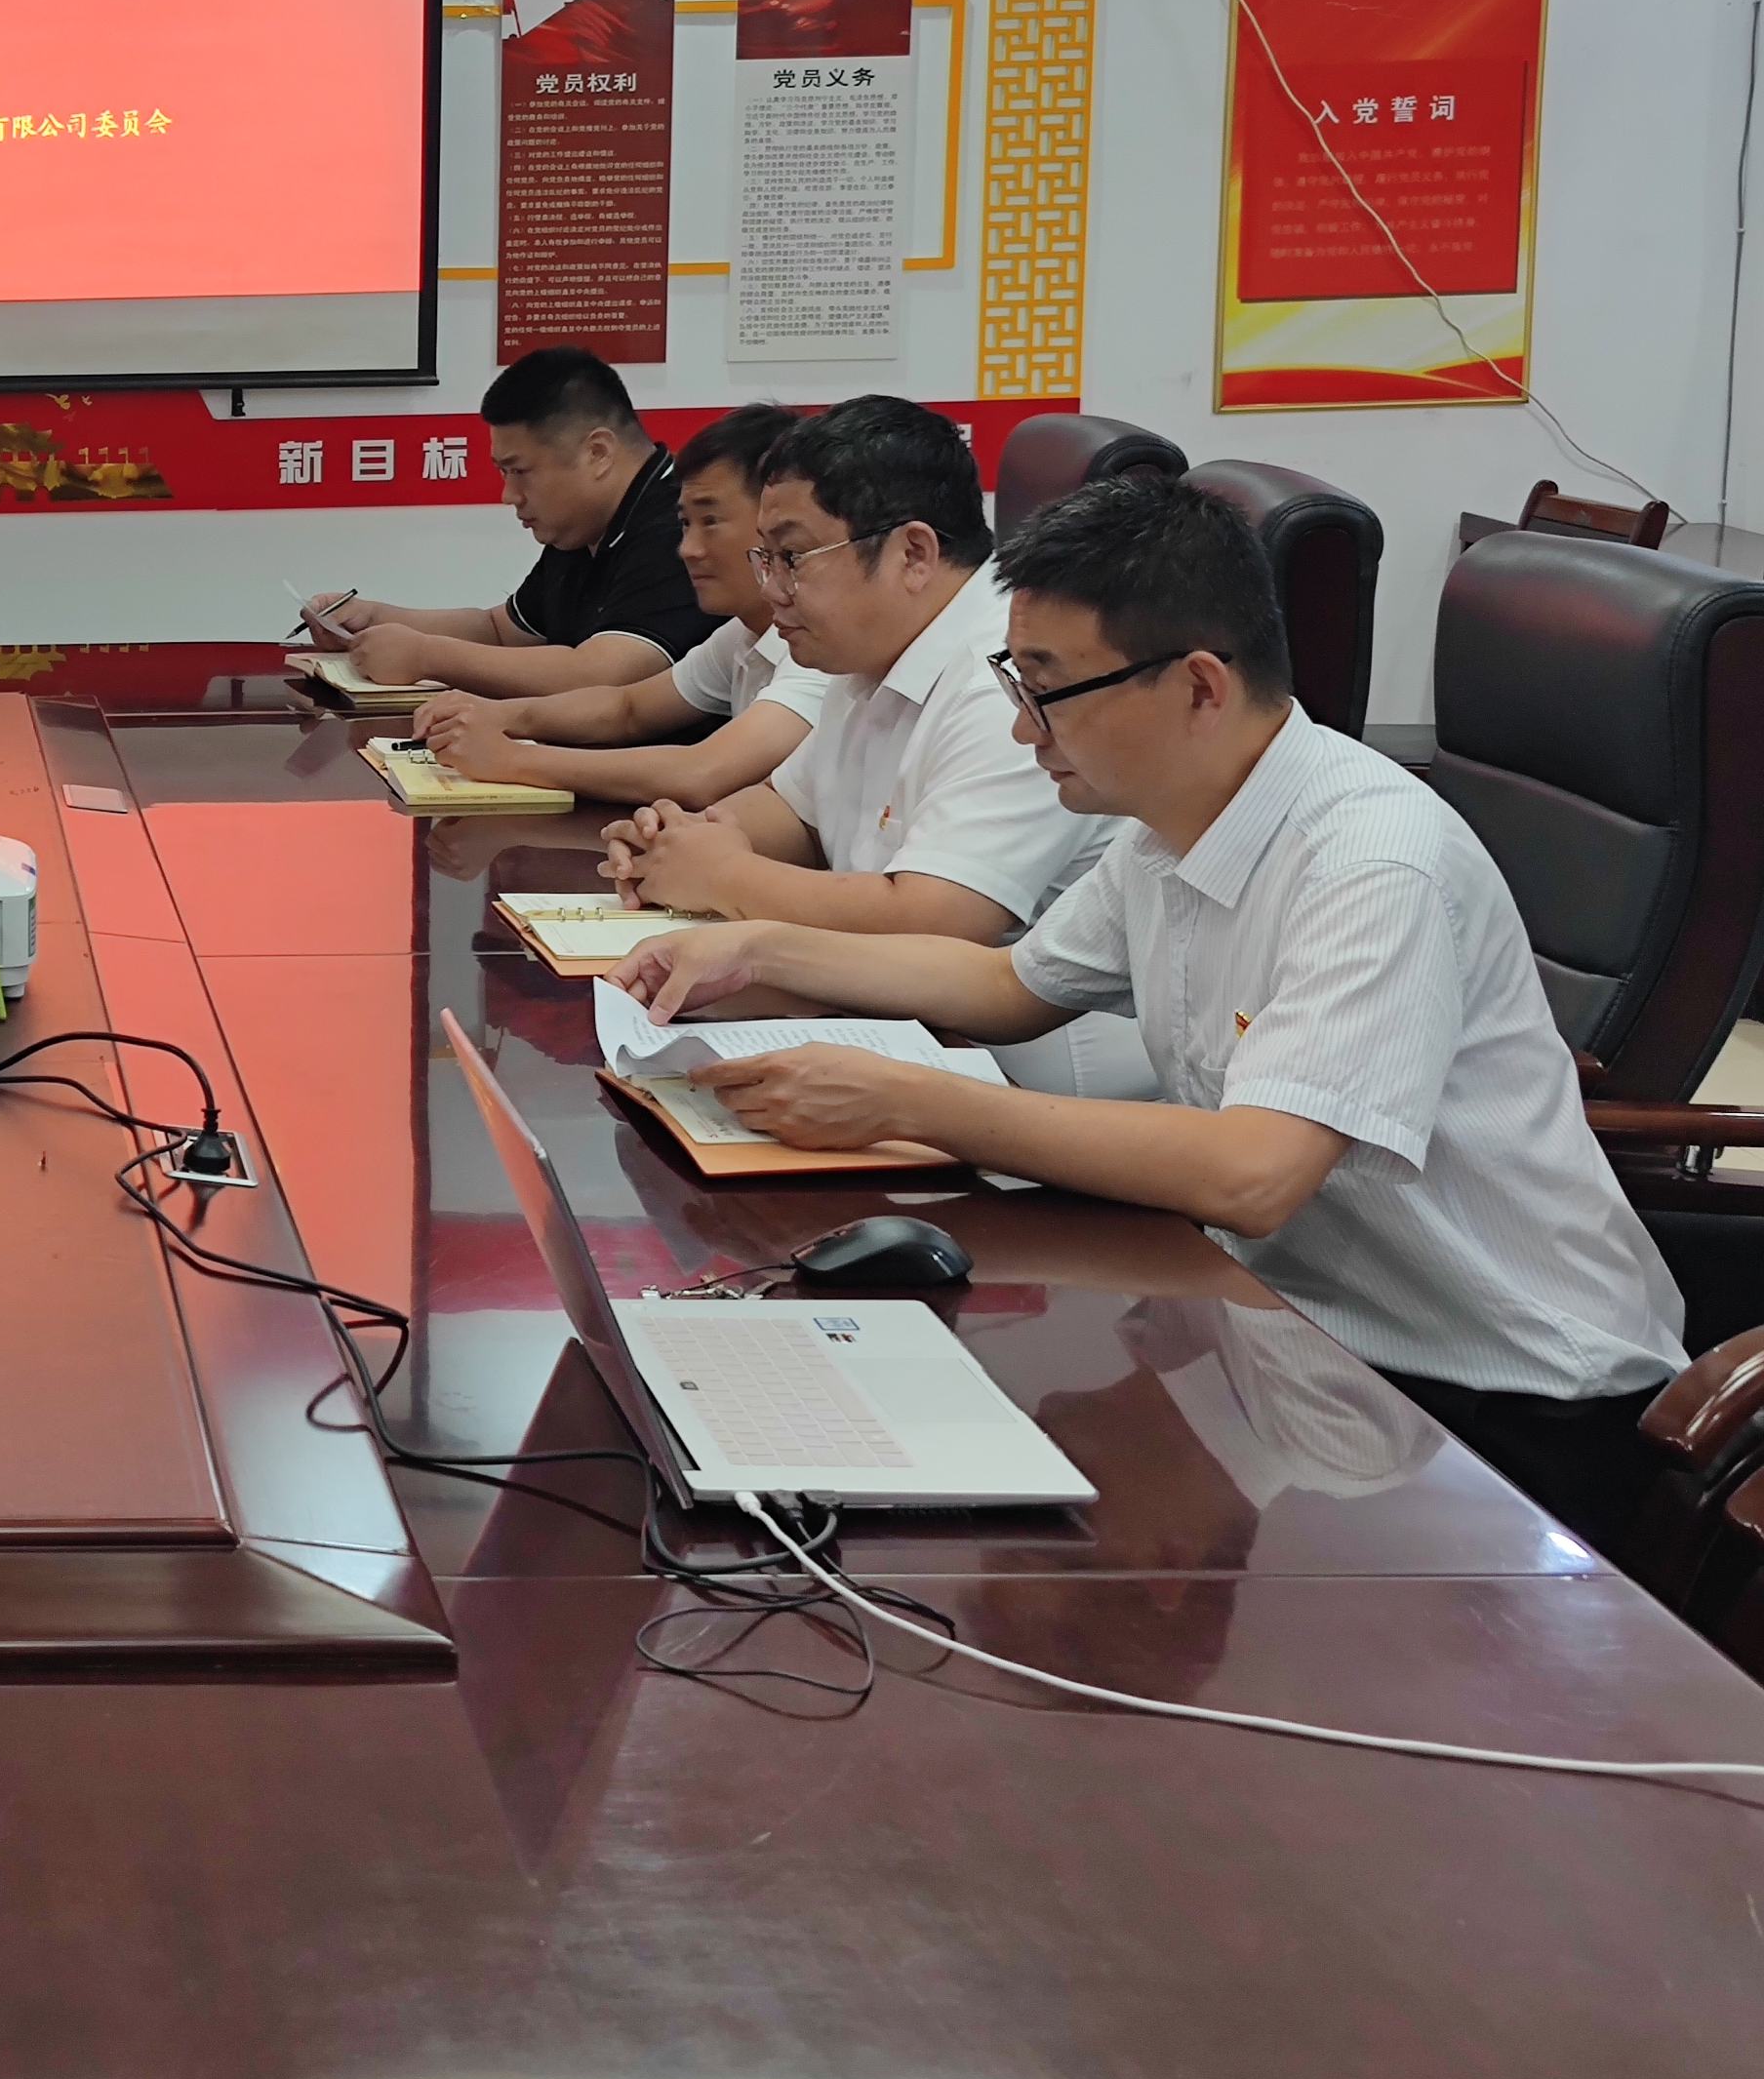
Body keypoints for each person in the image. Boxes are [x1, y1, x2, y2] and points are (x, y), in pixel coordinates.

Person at [613, 472, 1685, 1559]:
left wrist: (908, 1102)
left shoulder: (1370, 865)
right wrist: (757, 948)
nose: (1023, 727)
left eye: (1049, 688)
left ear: (1200, 687)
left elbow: (1252, 1176)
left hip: (1504, 1402)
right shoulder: (1171, 826)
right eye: (1015, 680)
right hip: (1295, 1334)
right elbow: (1010, 986)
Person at [592, 394, 1102, 945]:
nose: (772, 590)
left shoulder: (1006, 681)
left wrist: (722, 875)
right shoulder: (867, 650)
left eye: (792, 558)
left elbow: (940, 917)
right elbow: (797, 814)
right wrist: (677, 841)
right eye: (766, 560)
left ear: (913, 554)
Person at [406, 399, 832, 807]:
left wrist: (512, 759)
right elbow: (626, 708)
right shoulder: (743, 633)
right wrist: (496, 715)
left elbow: (700, 773)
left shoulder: (822, 652)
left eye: (710, 521)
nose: (687, 549)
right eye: (685, 523)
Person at [296, 346, 713, 697]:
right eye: (503, 472)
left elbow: (602, 676)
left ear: (597, 453)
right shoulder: (582, 526)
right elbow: (501, 630)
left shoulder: (681, 526)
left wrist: (426, 656)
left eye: (520, 471)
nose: (509, 495)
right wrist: (374, 618)